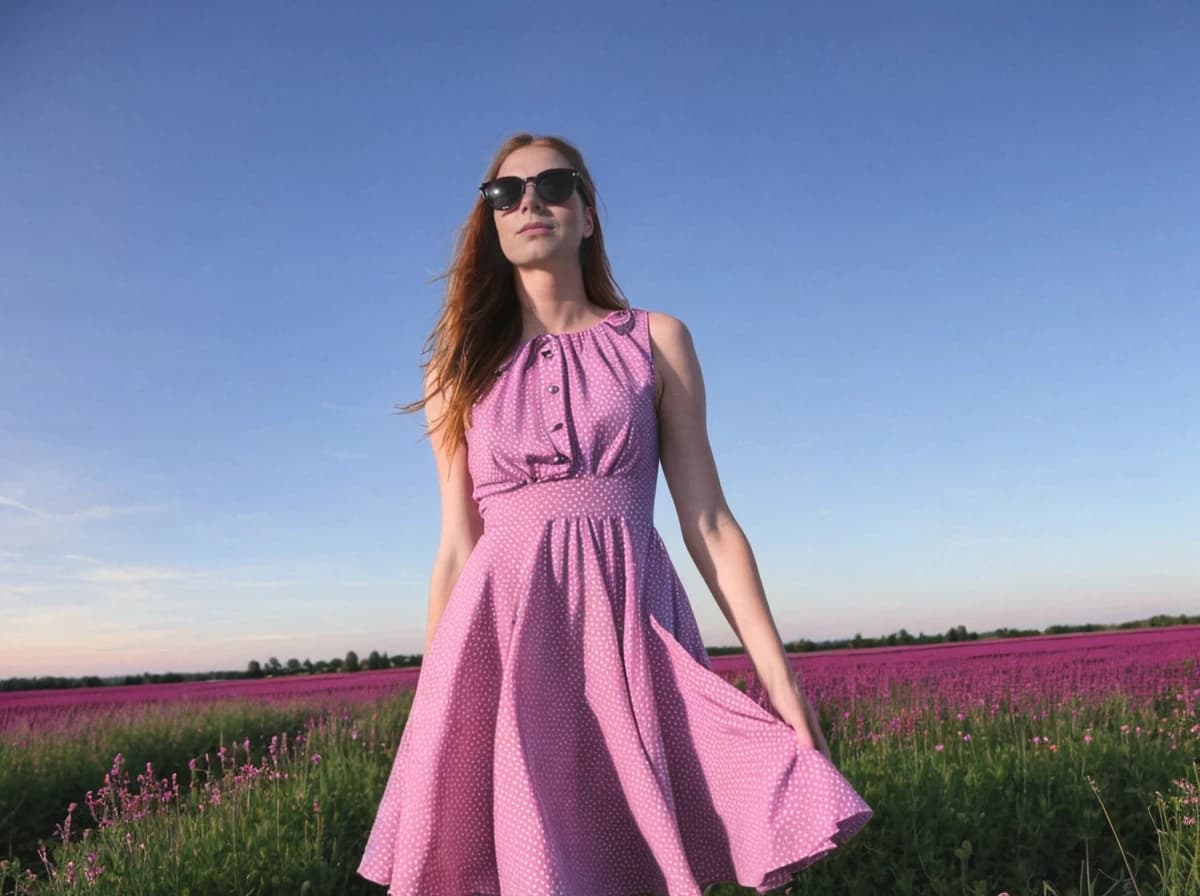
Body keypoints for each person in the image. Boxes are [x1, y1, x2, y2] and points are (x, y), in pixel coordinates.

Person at [357, 133, 871, 896]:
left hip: (632, 629)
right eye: (507, 193)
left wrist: (781, 681)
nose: (531, 201)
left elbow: (710, 522)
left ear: (589, 215)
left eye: (555, 185)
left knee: (639, 854)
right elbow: (458, 547)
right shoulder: (454, 371)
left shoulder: (657, 341)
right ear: (492, 225)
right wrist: (438, 709)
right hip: (506, 638)